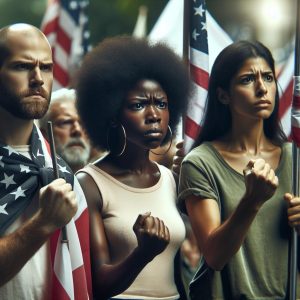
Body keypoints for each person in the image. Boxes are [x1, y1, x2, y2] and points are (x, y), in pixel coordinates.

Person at [178, 40, 300, 299]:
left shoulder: (296, 159)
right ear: (223, 95)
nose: (262, 88)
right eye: (247, 79)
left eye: (268, 77)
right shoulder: (200, 163)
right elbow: (214, 255)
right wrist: (252, 200)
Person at [75, 36, 190, 299]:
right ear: (112, 114)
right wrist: (143, 254)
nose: (153, 115)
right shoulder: (89, 183)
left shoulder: (170, 179)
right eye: (139, 105)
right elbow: (98, 284)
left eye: (161, 104)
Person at [0, 23, 91, 299]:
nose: (38, 78)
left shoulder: (61, 170)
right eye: (22, 66)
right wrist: (44, 222)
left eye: (47, 67)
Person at [39, 88, 91, 172]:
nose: (77, 130)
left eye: (83, 124)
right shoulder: (35, 182)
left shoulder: (103, 180)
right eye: (66, 122)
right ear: (43, 135)